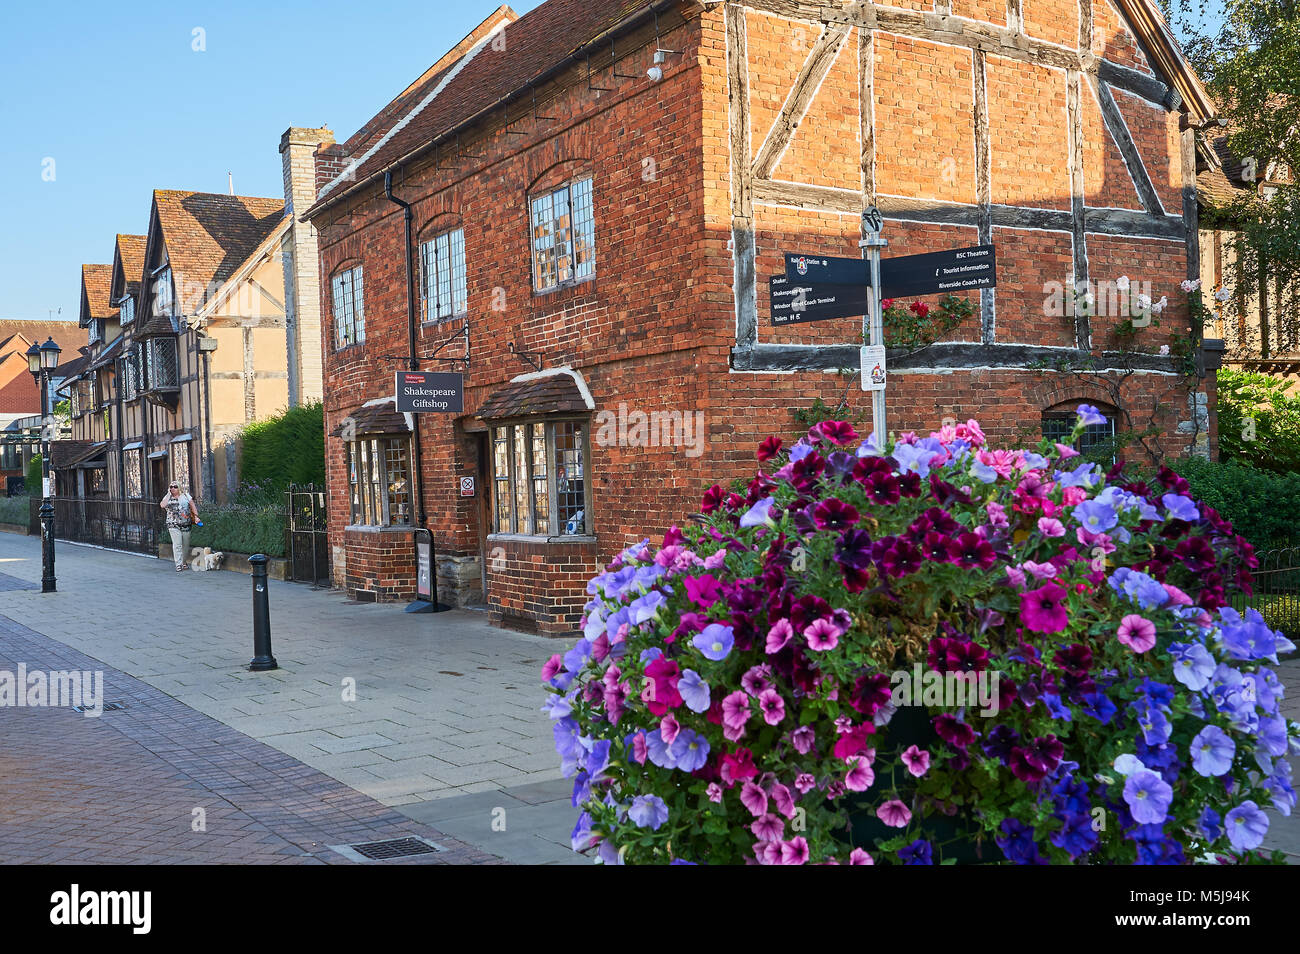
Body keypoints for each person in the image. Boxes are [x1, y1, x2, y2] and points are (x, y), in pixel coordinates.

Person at [159, 482, 200, 572]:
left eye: (175, 487)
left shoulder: (185, 495)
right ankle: (178, 564)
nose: (173, 488)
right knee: (177, 544)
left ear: (179, 488)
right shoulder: (167, 497)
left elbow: (192, 505)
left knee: (185, 545)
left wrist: (196, 516)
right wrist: (169, 494)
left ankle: (184, 562)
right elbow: (162, 505)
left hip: (186, 524)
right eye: (171, 487)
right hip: (173, 524)